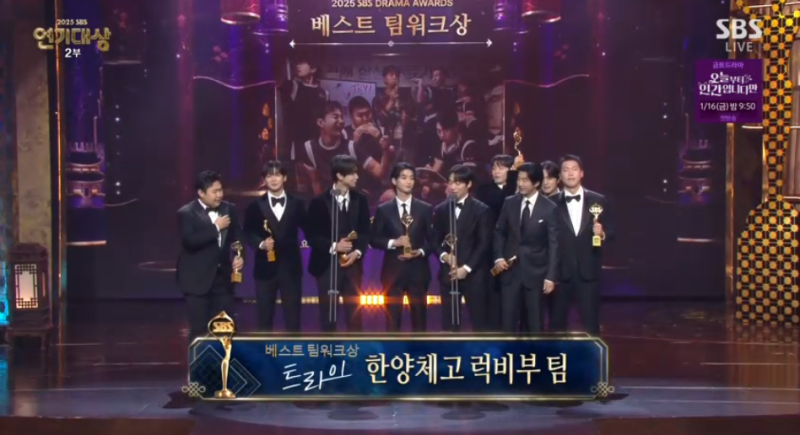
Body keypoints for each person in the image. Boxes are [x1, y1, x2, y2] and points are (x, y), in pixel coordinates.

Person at [305, 155, 371, 332]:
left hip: (353, 266)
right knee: (328, 315)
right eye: (353, 173)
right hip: (326, 265)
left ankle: (355, 348)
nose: (357, 177)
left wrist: (357, 252)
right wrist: (334, 246)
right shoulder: (319, 202)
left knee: (355, 315)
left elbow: (365, 232)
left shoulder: (361, 200)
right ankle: (329, 348)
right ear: (340, 176)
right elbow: (312, 235)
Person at [550, 155, 614, 335]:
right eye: (565, 170)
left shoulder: (598, 200)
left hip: (588, 272)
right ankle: (556, 353)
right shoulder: (551, 203)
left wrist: (602, 233)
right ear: (560, 176)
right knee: (556, 324)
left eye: (574, 169)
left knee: (591, 323)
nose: (570, 173)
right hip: (560, 274)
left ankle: (591, 352)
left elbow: (612, 231)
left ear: (582, 173)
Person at [176, 170, 243, 341]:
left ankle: (226, 358)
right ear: (201, 192)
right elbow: (189, 242)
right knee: (199, 331)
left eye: (221, 190)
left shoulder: (229, 209)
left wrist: (239, 255)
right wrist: (216, 228)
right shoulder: (186, 213)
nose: (219, 195)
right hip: (196, 281)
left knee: (226, 329)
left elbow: (236, 237)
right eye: (215, 191)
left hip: (222, 280)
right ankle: (200, 359)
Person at [493, 162, 559, 333]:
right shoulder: (510, 202)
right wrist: (499, 257)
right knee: (507, 324)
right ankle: (507, 351)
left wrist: (551, 276)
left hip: (536, 273)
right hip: (510, 272)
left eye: (525, 180)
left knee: (535, 323)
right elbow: (499, 232)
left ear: (536, 183)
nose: (520, 184)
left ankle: (533, 351)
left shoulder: (549, 208)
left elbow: (553, 244)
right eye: (519, 180)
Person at [370, 162, 434, 332]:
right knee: (392, 322)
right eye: (404, 178)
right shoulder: (383, 210)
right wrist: (394, 243)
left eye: (412, 178)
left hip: (418, 272)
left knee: (420, 321)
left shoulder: (425, 209)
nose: (409, 182)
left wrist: (420, 252)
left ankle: (420, 349)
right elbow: (374, 239)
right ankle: (393, 349)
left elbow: (433, 241)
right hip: (392, 273)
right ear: (394, 181)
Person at [243, 161, 306, 332]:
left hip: (291, 268)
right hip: (264, 269)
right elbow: (248, 232)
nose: (273, 179)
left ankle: (293, 347)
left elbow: (310, 229)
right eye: (269, 175)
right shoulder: (255, 206)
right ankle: (265, 349)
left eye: (277, 174)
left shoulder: (298, 203)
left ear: (285, 177)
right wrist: (261, 243)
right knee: (264, 318)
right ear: (264, 179)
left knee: (293, 318)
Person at [433, 165, 492, 332]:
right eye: (451, 182)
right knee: (449, 325)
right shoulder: (441, 209)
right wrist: (444, 256)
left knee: (479, 324)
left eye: (458, 183)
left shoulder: (481, 210)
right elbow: (435, 240)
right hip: (448, 275)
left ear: (469, 184)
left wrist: (466, 268)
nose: (453, 186)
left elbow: (483, 244)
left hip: (474, 275)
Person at [295, 101, 393, 197]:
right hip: (328, 198)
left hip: (352, 198)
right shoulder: (309, 148)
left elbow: (380, 172)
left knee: (390, 195)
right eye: (336, 117)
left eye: (342, 117)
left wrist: (385, 151)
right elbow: (315, 182)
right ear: (321, 122)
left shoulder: (351, 146)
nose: (341, 121)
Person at [475, 155, 518, 332]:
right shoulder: (484, 190)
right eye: (494, 168)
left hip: (514, 248)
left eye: (501, 168)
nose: (496, 171)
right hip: (490, 248)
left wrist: (515, 177)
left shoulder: (519, 188)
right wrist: (514, 177)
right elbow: (502, 202)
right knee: (492, 292)